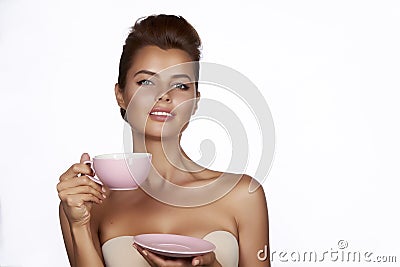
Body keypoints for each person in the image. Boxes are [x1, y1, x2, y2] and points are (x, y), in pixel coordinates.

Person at [57, 14, 270, 267]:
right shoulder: (89, 201)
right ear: (120, 95)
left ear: (196, 101)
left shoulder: (243, 195)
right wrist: (80, 226)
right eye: (146, 81)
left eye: (180, 86)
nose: (164, 96)